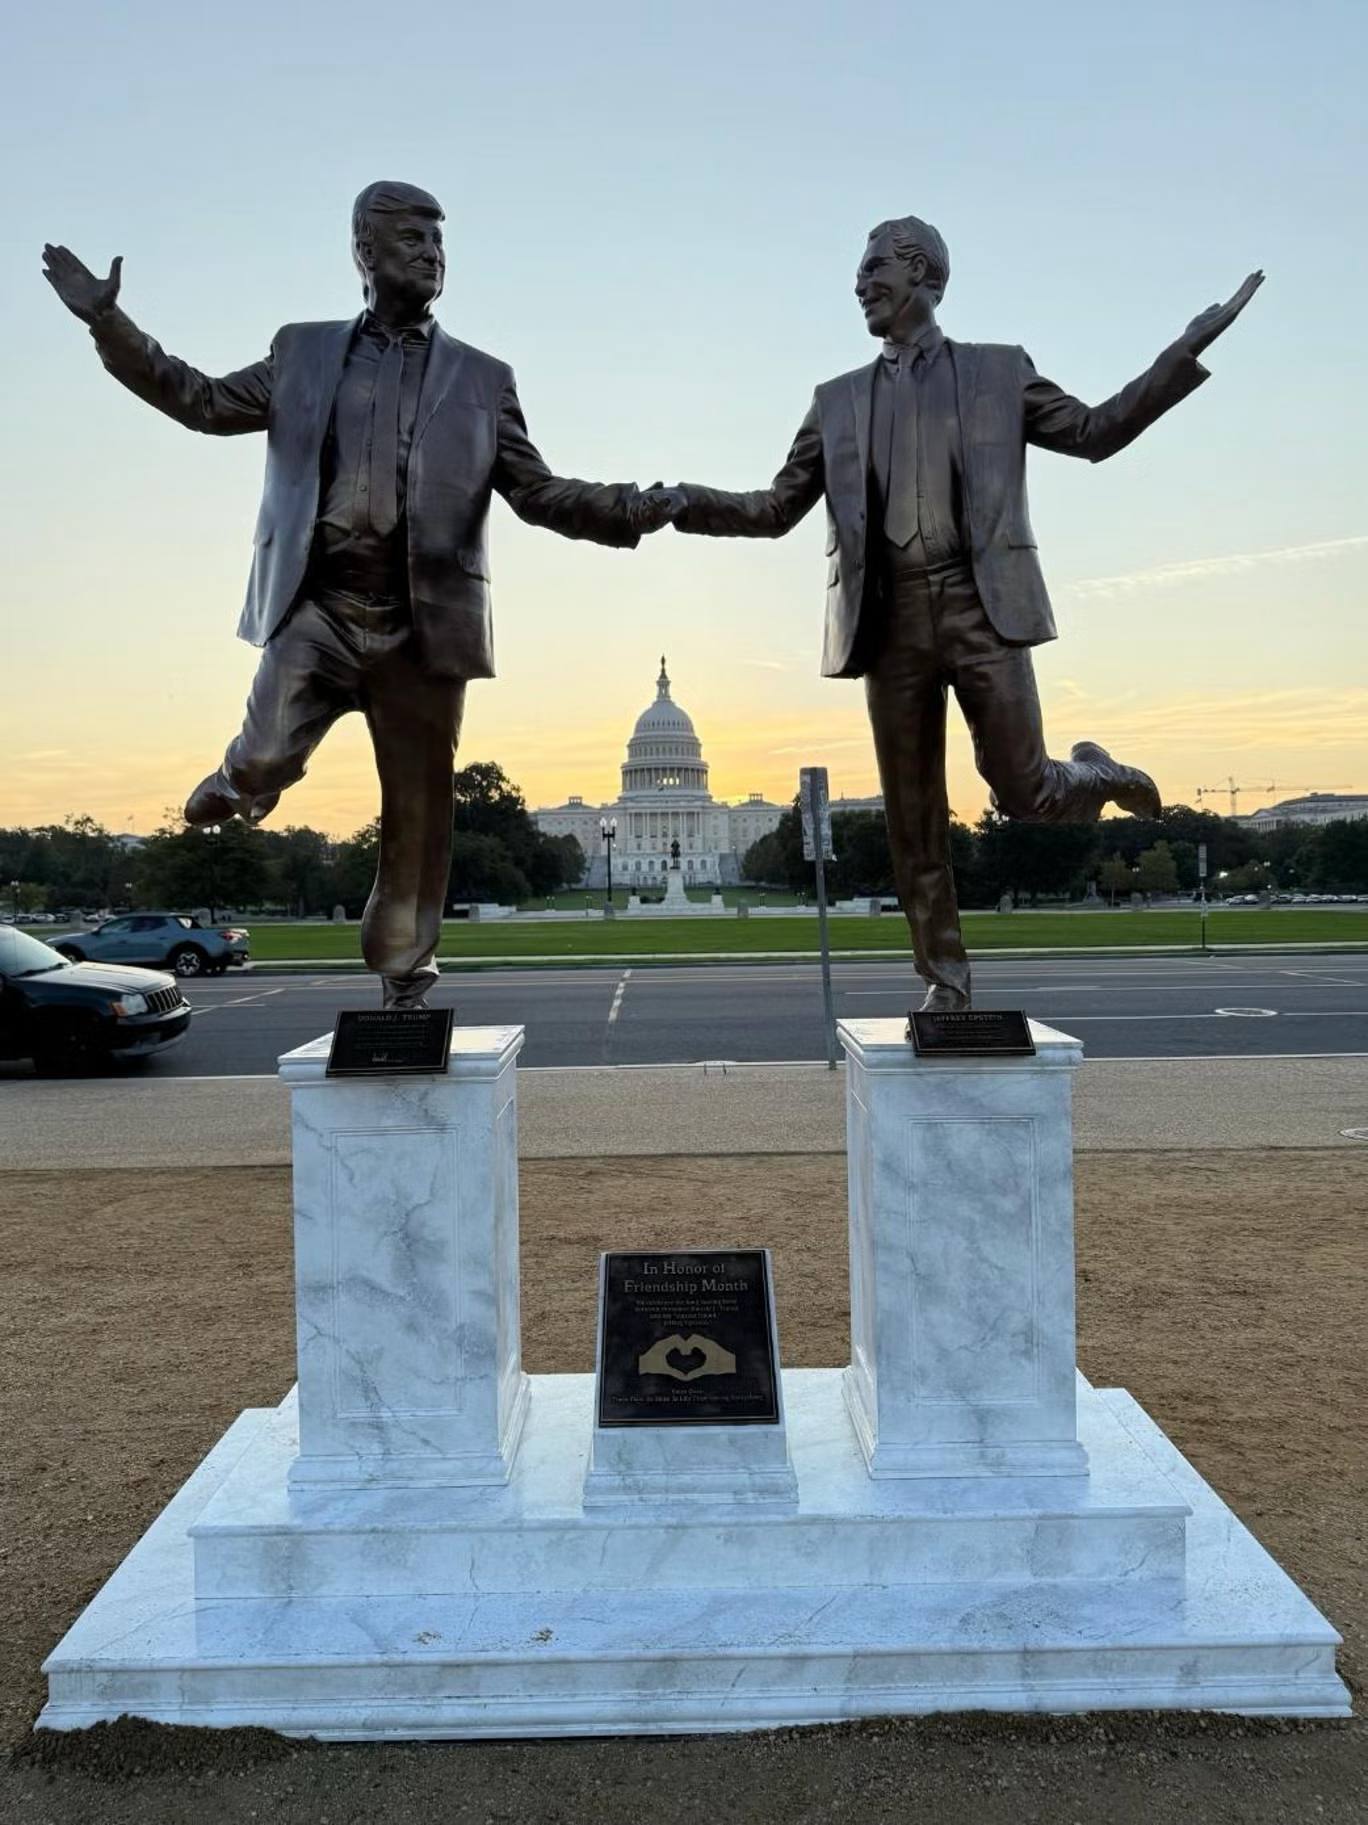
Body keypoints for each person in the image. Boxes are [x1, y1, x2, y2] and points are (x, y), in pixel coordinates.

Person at [43, 181, 672, 1007]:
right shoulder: (302, 353)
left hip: (423, 625)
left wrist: (627, 507)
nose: (432, 255)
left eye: (439, 242)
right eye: (413, 239)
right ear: (364, 252)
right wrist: (108, 322)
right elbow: (201, 400)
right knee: (266, 753)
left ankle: (405, 970)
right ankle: (242, 778)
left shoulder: (484, 378)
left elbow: (537, 492)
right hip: (321, 608)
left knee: (419, 814)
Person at [646, 217, 1262, 1010]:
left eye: (875, 268)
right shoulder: (836, 401)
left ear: (925, 276)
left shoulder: (998, 373)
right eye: (859, 272)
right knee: (913, 819)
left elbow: (1095, 431)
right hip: (888, 621)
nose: (860, 284)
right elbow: (773, 508)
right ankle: (946, 981)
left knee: (1026, 793)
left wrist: (1184, 351)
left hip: (981, 607)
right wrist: (685, 501)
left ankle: (1098, 771)